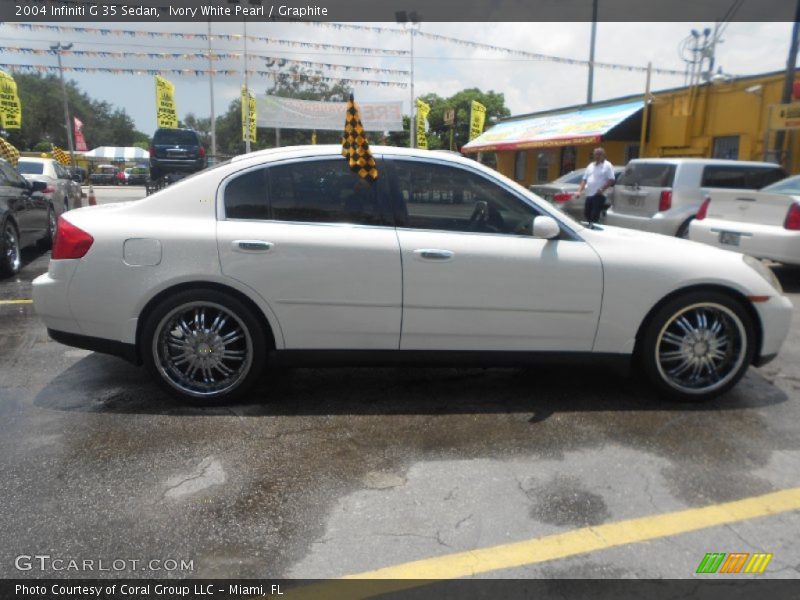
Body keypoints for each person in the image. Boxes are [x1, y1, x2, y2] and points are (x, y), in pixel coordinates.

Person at [576, 147, 615, 224]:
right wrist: (579, 191)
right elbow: (584, 179)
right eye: (596, 154)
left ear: (604, 155)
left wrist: (602, 189)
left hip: (599, 195)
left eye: (599, 154)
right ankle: (591, 226)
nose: (597, 156)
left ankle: (593, 228)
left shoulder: (607, 165)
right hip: (589, 194)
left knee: (594, 215)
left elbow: (611, 179)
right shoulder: (591, 165)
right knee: (587, 213)